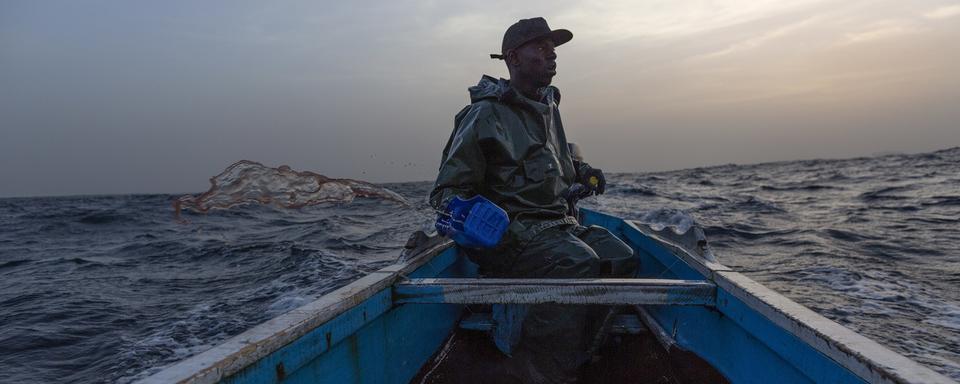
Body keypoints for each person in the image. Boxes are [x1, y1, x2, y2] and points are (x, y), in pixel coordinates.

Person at [429, 17, 638, 383]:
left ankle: (578, 353)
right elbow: (445, 192)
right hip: (512, 234)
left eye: (553, 49)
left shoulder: (550, 108)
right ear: (513, 58)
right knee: (576, 263)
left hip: (557, 226)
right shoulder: (484, 114)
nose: (552, 56)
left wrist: (583, 169)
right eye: (541, 48)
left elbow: (559, 163)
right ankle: (536, 371)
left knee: (621, 257)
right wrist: (470, 215)